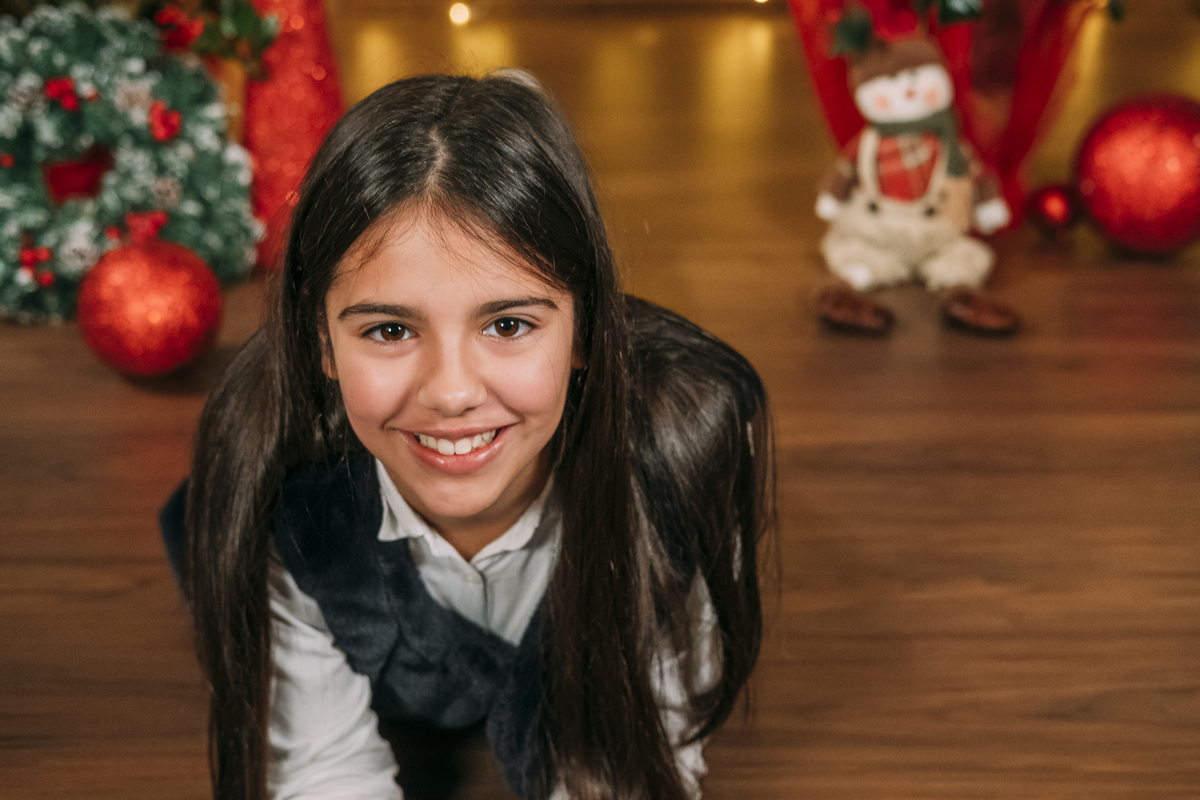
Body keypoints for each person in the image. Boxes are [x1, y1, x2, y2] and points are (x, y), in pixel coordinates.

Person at [160, 70, 772, 800]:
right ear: (320, 340)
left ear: (586, 329)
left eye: (508, 325)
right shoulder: (274, 488)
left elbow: (631, 767)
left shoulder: (681, 451)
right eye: (389, 329)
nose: (451, 393)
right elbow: (323, 771)